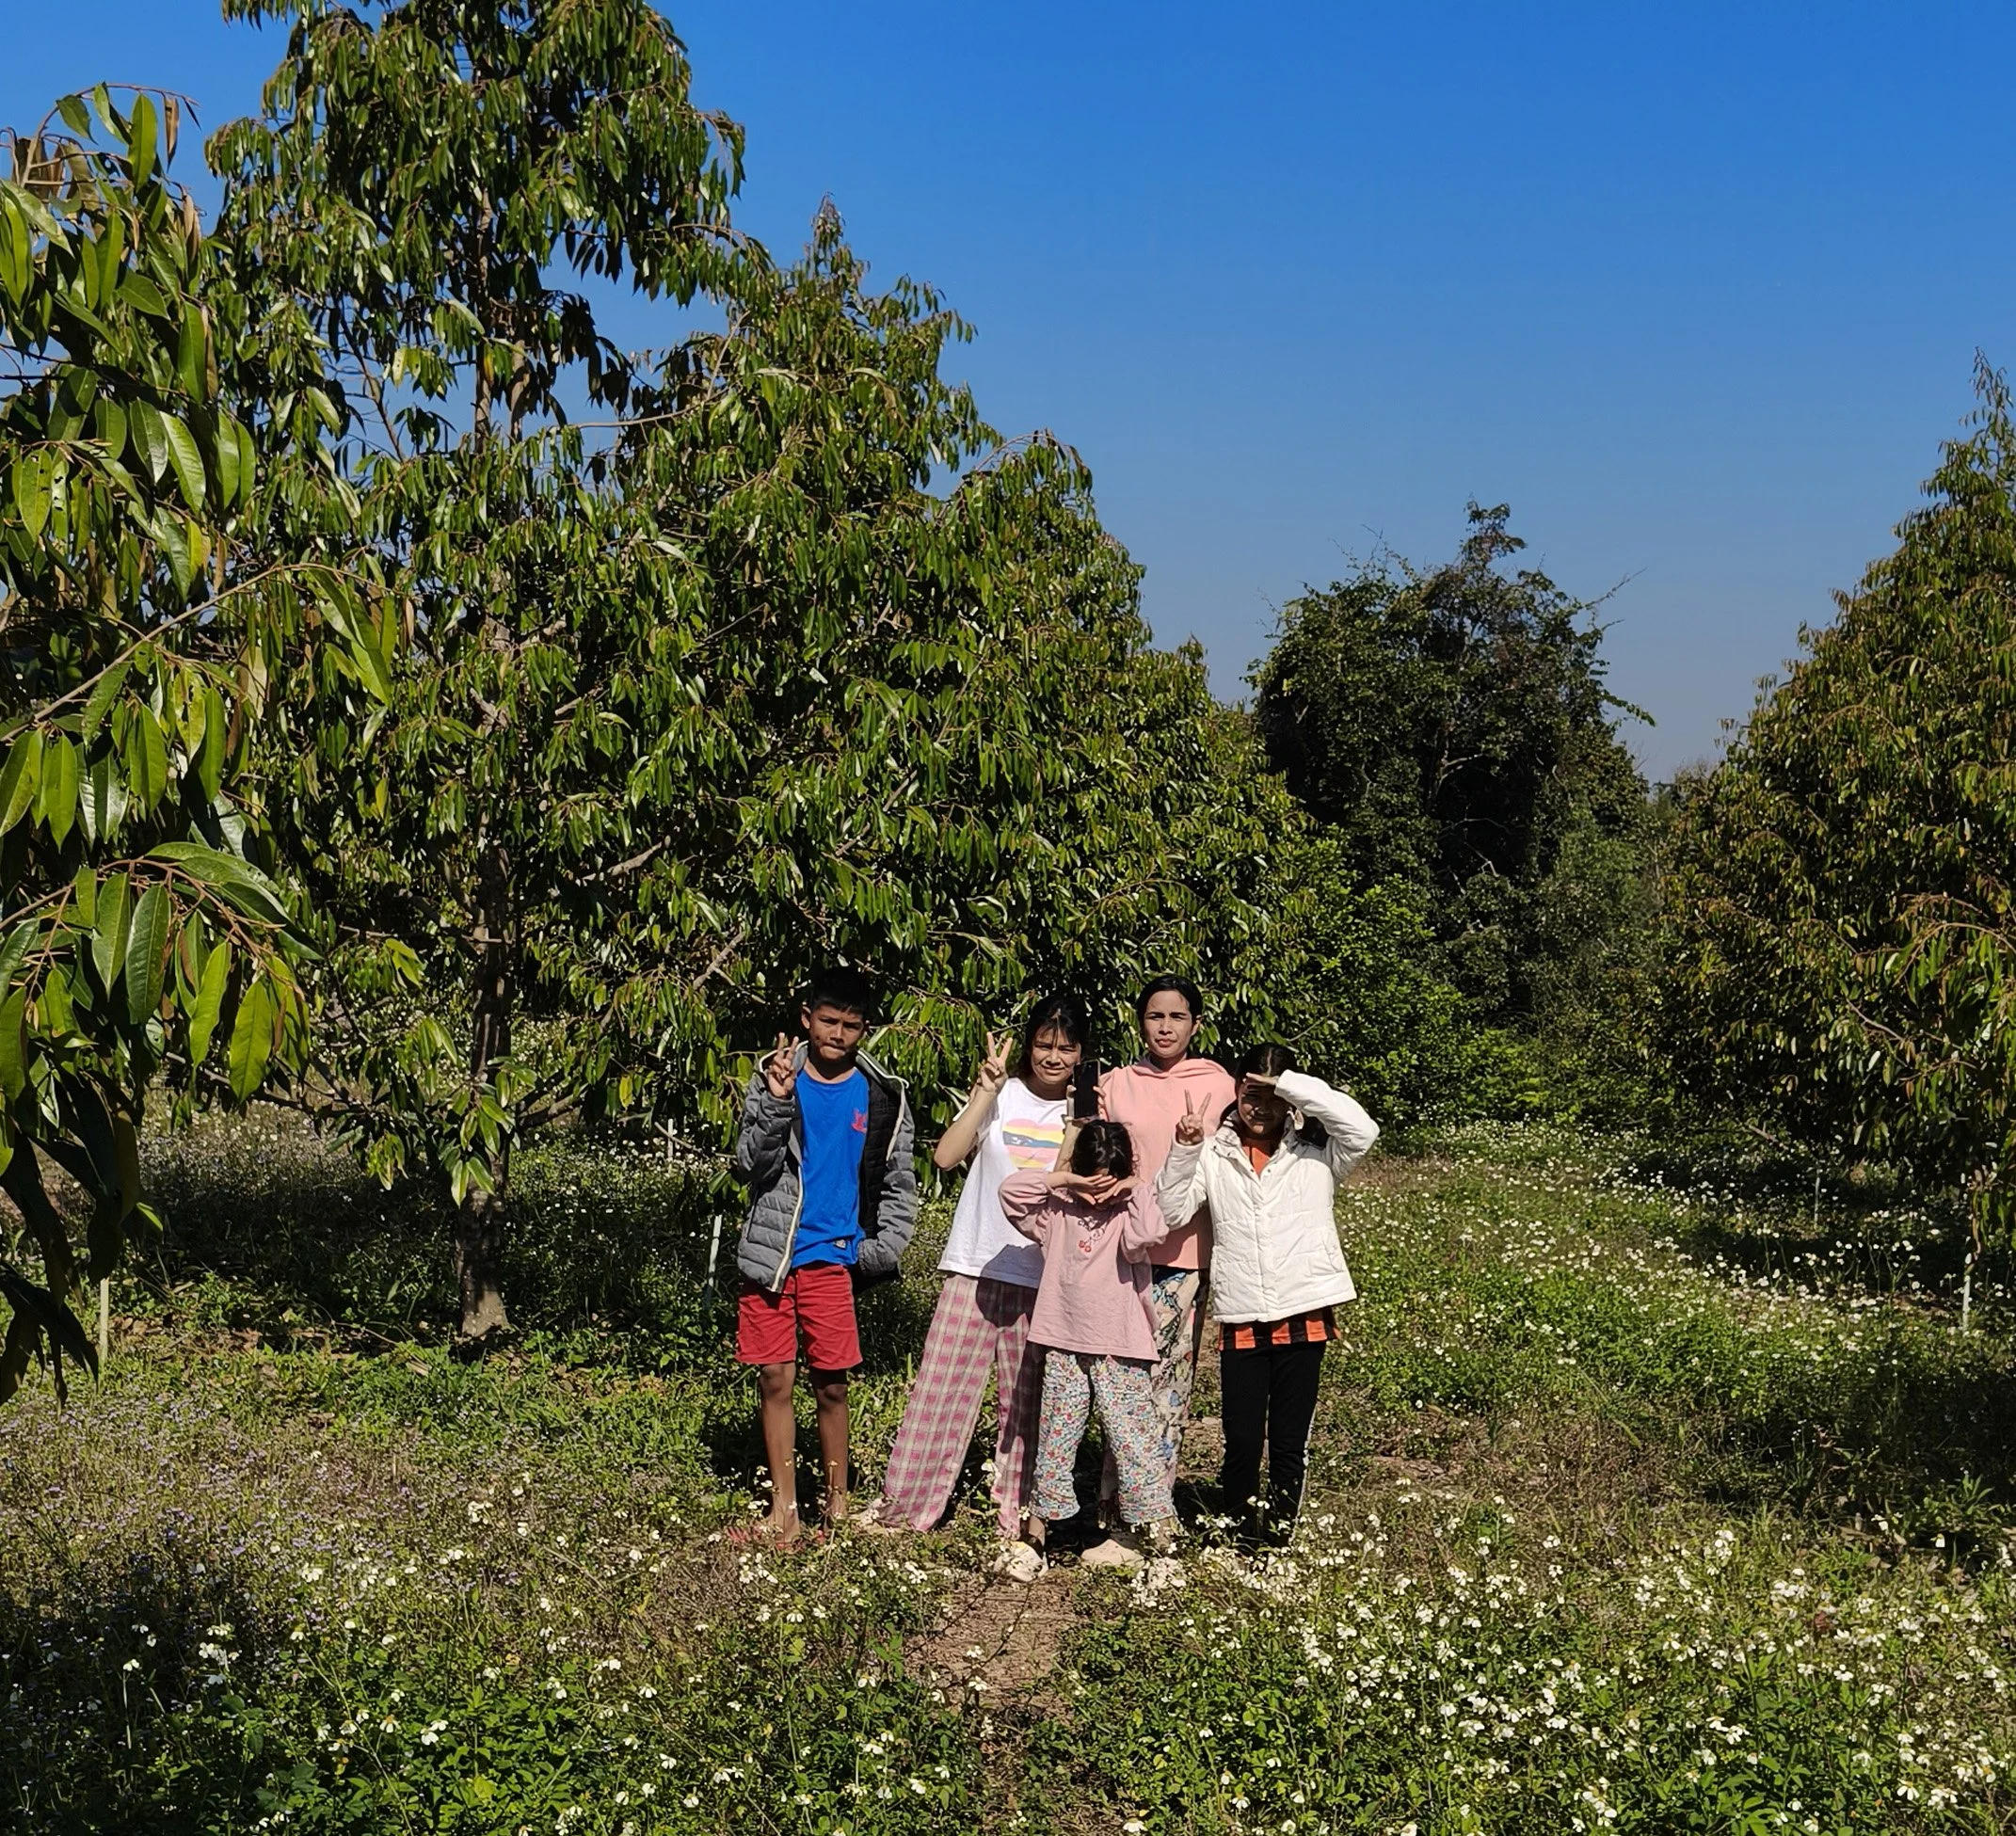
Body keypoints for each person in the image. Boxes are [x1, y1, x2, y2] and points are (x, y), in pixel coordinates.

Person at [868, 995, 1089, 1576]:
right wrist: (984, 1093)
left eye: (1066, 1046)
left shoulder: (1086, 1113)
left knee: (1027, 1405)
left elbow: (1061, 1192)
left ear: (1081, 1053)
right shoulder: (1003, 1095)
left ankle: (1018, 1524)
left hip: (1043, 1277)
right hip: (976, 1263)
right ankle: (907, 1507)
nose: (1053, 1055)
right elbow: (944, 1157)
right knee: (939, 1389)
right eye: (1044, 1043)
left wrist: (1075, 1129)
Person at [1156, 1044, 1379, 1550]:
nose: (1260, 1106)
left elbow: (1364, 1130)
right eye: (1251, 1093)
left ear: (1291, 1099)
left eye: (1272, 1096)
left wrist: (1291, 1085)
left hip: (1304, 1309)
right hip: (1242, 1312)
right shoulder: (1214, 1152)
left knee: (1288, 1441)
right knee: (1240, 1439)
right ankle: (1238, 1537)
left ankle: (1276, 1541)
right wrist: (1185, 1147)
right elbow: (1171, 1211)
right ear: (1235, 1092)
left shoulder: (1319, 1150)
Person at [731, 967, 916, 1541]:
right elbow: (749, 1164)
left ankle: (837, 1505)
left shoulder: (884, 1095)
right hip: (774, 1254)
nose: (837, 1034)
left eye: (851, 1026)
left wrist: (881, 1249)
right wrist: (777, 1103)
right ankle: (783, 1512)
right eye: (828, 1022)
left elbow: (897, 1181)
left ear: (864, 1030)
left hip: (833, 1259)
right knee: (774, 1379)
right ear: (806, 1019)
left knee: (831, 1382)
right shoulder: (775, 1079)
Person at [1000, 1120, 1178, 1572]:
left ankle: (1161, 1543)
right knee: (1056, 1439)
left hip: (1119, 1344)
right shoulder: (1057, 1210)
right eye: (1091, 1179)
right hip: (1061, 1339)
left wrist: (1135, 1185)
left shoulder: (1127, 1212)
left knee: (1133, 1440)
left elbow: (1149, 1234)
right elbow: (1011, 1193)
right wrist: (1064, 1178)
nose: (1098, 1194)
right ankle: (1036, 1539)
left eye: (1108, 1180)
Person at [1095, 976, 1237, 1536]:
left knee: (1168, 1386)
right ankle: (1110, 1505)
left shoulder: (1219, 1084)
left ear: (1195, 1024)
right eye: (1155, 1016)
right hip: (1121, 1255)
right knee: (1119, 1380)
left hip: (1183, 1258)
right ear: (1140, 1022)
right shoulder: (1116, 1084)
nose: (1165, 1027)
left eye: (1177, 1017)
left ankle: (1151, 1512)